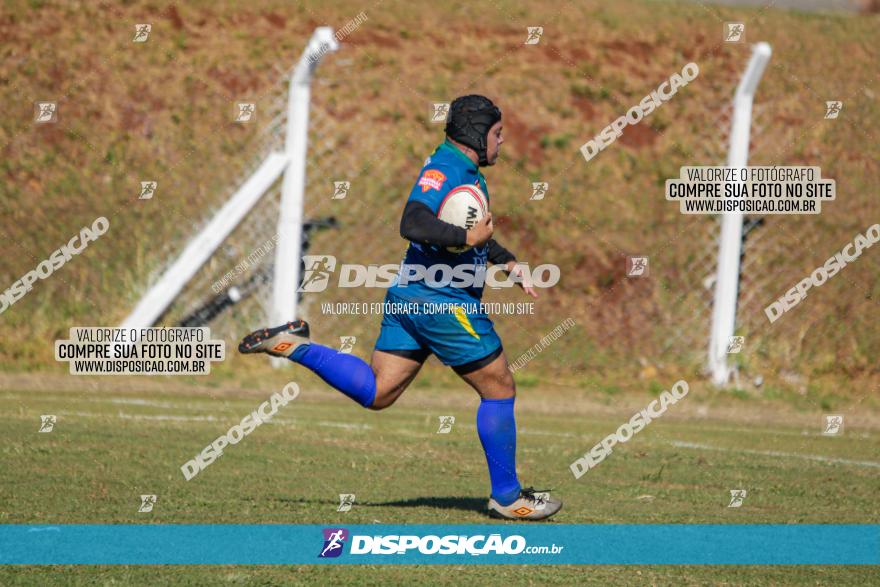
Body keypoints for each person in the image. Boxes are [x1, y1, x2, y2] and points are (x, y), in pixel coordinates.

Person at [239, 95, 561, 520]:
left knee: (378, 391)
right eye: (498, 134)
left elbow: (470, 230)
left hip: (411, 295)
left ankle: (294, 345)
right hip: (441, 302)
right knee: (499, 387)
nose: (502, 143)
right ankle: (508, 496)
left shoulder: (458, 167)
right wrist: (466, 241)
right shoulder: (444, 169)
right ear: (475, 134)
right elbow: (412, 221)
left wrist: (506, 261)